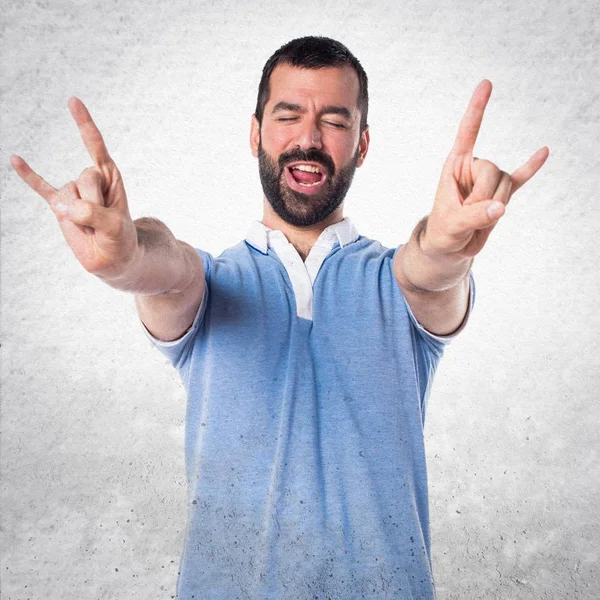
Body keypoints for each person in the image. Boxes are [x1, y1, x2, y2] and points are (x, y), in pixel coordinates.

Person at [11, 36, 548, 600]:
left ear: (362, 145)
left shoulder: (399, 285)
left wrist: (447, 250)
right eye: (287, 115)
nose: (308, 139)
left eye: (335, 122)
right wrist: (127, 257)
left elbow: (430, 272)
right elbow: (164, 267)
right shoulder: (211, 284)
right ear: (254, 134)